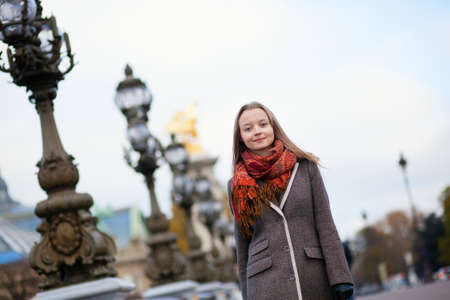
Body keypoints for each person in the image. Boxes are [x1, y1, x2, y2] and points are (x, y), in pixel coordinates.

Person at [227, 102, 354, 300]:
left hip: (314, 278)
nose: (257, 132)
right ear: (241, 137)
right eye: (248, 128)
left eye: (262, 124)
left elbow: (326, 225)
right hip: (265, 287)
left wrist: (340, 277)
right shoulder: (236, 185)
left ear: (273, 128)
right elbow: (242, 245)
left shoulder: (306, 168)